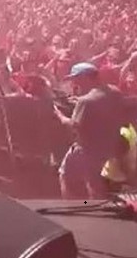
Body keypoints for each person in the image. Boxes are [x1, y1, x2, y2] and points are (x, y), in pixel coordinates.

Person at [54, 62, 131, 199]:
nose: (74, 83)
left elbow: (74, 125)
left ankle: (72, 205)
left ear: (84, 77)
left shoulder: (86, 101)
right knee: (99, 184)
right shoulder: (114, 92)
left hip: (88, 150)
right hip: (112, 146)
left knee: (66, 175)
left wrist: (59, 115)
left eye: (75, 79)